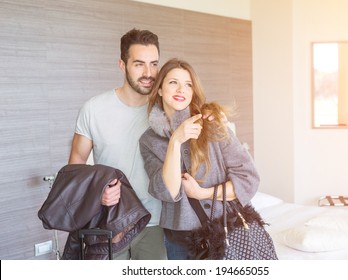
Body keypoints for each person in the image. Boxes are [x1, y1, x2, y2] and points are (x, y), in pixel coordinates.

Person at [139, 58, 260, 260]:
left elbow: (248, 179)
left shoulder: (212, 124)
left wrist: (203, 193)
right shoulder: (148, 141)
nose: (181, 90)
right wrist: (176, 141)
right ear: (159, 89)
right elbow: (167, 191)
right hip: (179, 241)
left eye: (188, 85)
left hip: (224, 232)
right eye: (173, 82)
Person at [68, 28, 167, 260]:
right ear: (122, 64)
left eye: (154, 64)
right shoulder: (93, 109)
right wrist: (97, 194)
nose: (149, 73)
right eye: (139, 64)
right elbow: (75, 168)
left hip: (157, 224)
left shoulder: (166, 110)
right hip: (111, 225)